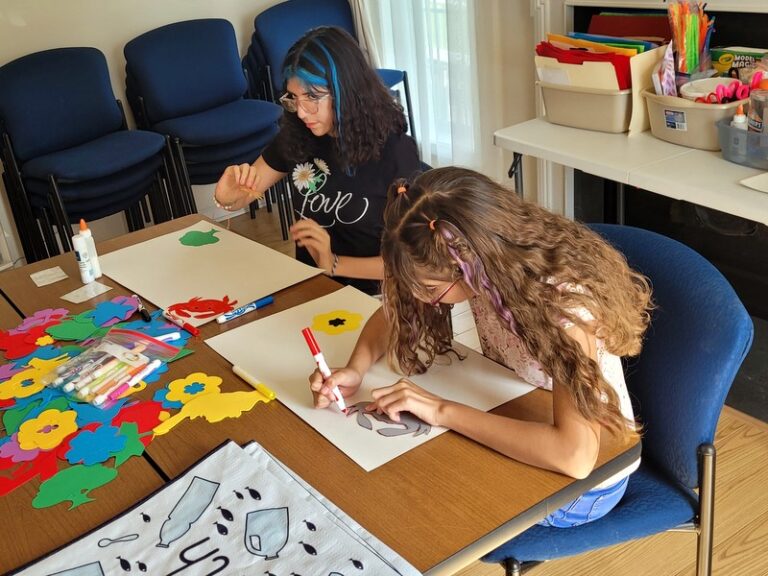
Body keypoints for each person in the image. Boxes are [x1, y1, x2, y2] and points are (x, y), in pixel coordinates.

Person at [309, 167, 653, 528]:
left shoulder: (561, 309)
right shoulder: (488, 270)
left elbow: (576, 457)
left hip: (587, 484)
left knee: (416, 496)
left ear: (470, 267)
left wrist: (441, 410)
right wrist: (355, 368)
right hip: (523, 406)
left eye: (429, 288)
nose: (420, 298)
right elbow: (391, 316)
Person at [214, 26, 421, 295]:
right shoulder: (297, 138)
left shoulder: (395, 153)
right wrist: (225, 197)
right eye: (294, 98)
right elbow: (242, 195)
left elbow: (412, 263)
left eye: (312, 97)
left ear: (347, 90)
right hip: (314, 288)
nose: (301, 112)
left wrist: (332, 263)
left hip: (378, 298)